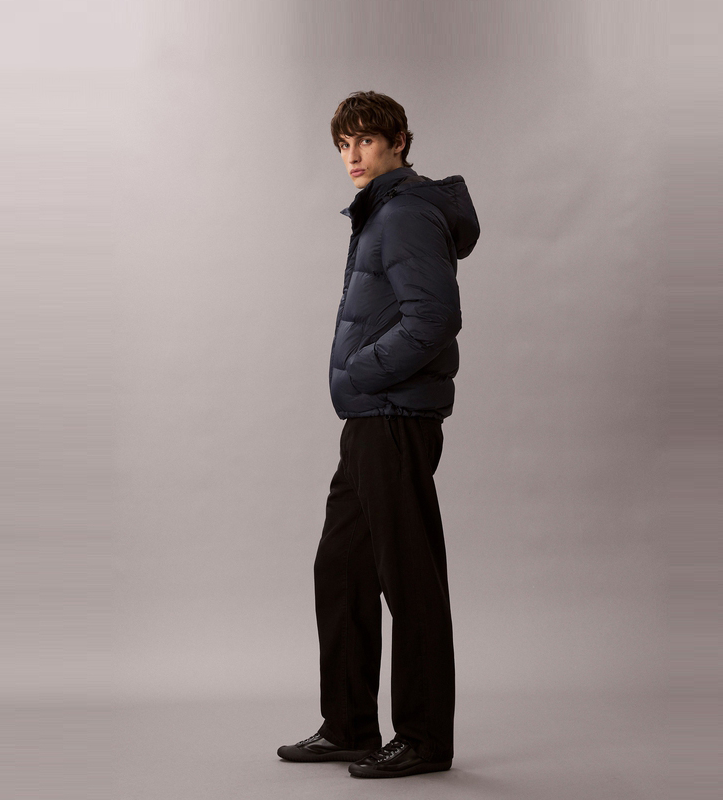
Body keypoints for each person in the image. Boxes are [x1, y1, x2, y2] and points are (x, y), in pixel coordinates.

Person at [277, 90, 480, 779]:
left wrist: (362, 370)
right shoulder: (382, 212)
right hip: (371, 419)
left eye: (365, 139)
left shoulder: (406, 213)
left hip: (394, 416)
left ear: (398, 141)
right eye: (343, 144)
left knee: (407, 576)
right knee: (341, 568)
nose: (353, 155)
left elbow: (434, 318)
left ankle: (423, 738)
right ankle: (350, 726)